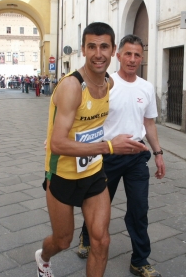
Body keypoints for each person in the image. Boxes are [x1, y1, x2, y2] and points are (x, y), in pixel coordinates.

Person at [37, 23, 148, 277]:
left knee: (101, 241)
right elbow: (57, 144)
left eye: (104, 47)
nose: (98, 53)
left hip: (93, 171)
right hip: (62, 174)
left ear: (113, 51)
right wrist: (109, 146)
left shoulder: (108, 83)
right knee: (62, 241)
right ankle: (43, 258)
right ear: (83, 51)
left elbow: (93, 123)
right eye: (92, 47)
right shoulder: (72, 86)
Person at [78, 34, 166, 277]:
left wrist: (158, 152)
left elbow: (149, 123)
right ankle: (86, 237)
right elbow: (87, 120)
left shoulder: (146, 88)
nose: (132, 59)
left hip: (137, 156)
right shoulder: (105, 84)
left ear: (142, 58)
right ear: (118, 55)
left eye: (137, 55)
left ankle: (140, 260)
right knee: (97, 208)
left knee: (139, 209)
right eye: (128, 53)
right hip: (108, 155)